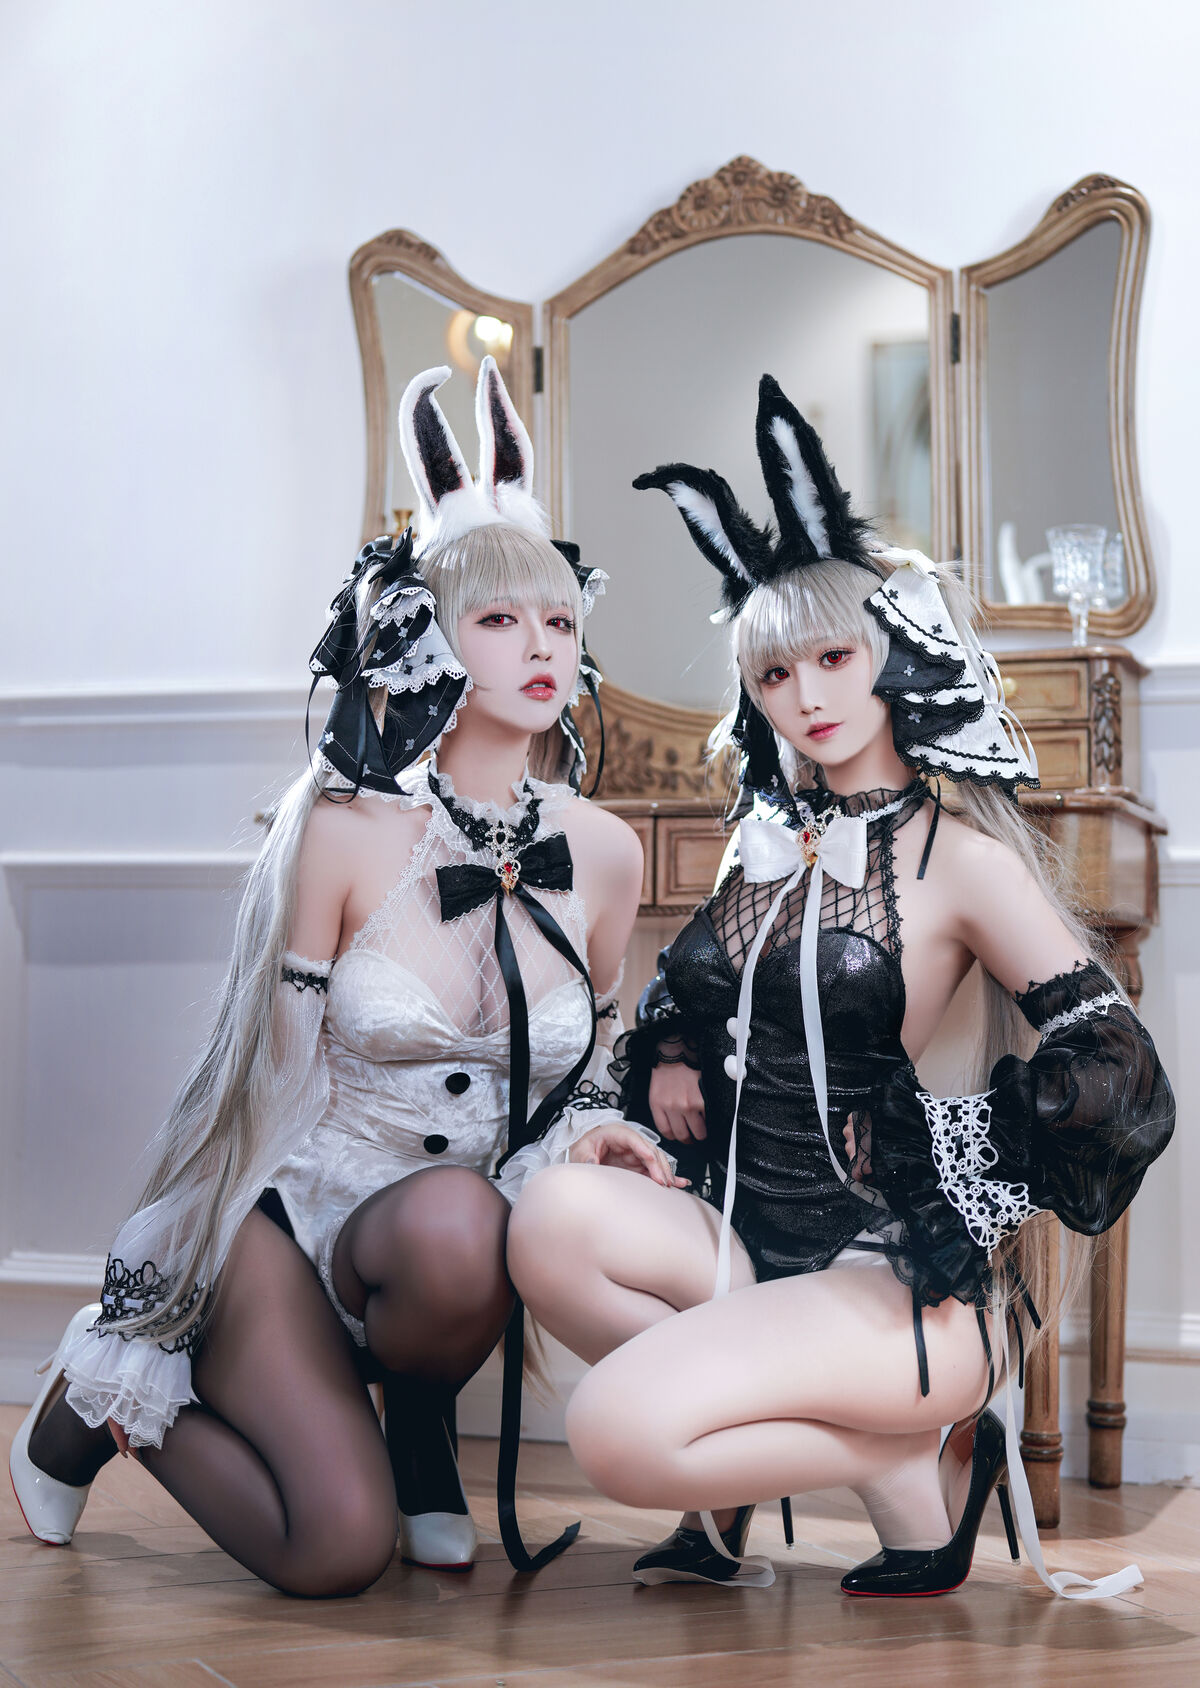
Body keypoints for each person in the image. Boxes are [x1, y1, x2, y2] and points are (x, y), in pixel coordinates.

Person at [507, 374, 1174, 1601]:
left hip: (897, 1269)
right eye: (772, 676)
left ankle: (900, 1461)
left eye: (832, 657)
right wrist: (667, 1059)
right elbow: (692, 992)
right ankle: (883, 1470)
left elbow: (1120, 1067)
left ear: (894, 658)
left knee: (610, 1429)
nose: (805, 697)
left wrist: (954, 1149)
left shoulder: (961, 861)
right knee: (546, 1222)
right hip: (746, 1234)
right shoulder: (769, 845)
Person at [9, 358, 663, 1598]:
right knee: (337, 1554)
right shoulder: (348, 831)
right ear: (427, 636)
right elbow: (265, 1077)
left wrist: (598, 1134)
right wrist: (180, 1255)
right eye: (499, 620)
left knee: (471, 1217)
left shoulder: (605, 851)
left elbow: (583, 1068)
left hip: (436, 1247)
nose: (541, 645)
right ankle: (103, 1393)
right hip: (293, 1217)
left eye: (559, 621)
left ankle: (418, 1428)